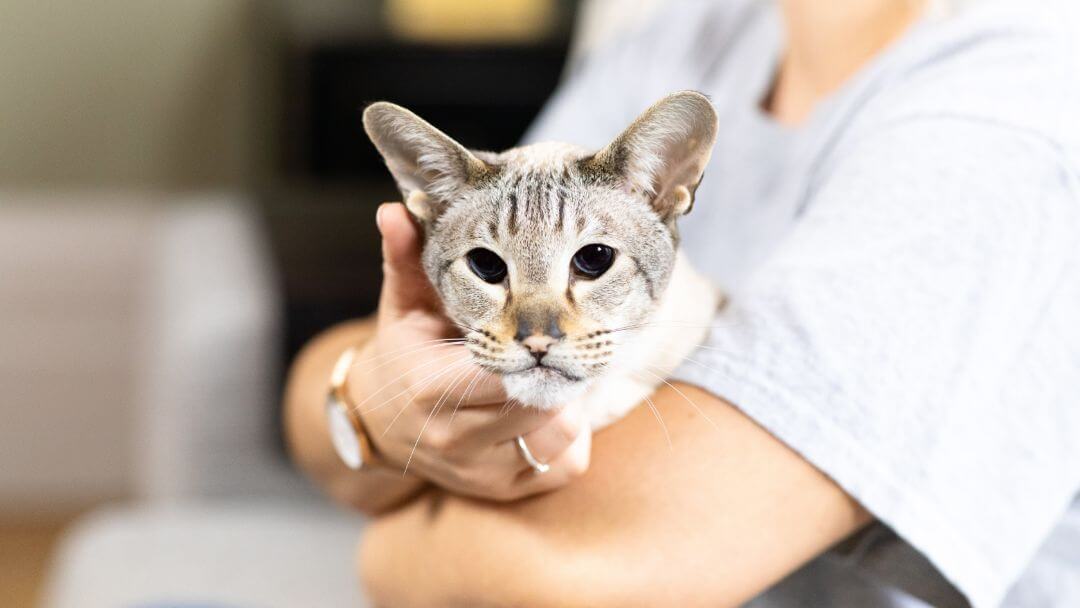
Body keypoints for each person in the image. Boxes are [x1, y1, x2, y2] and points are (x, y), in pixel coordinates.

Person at [284, 0, 1080, 605]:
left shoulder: (1010, 112)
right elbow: (315, 402)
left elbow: (570, 580)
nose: (535, 327)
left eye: (592, 260)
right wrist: (370, 406)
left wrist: (385, 512)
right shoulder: (691, 38)